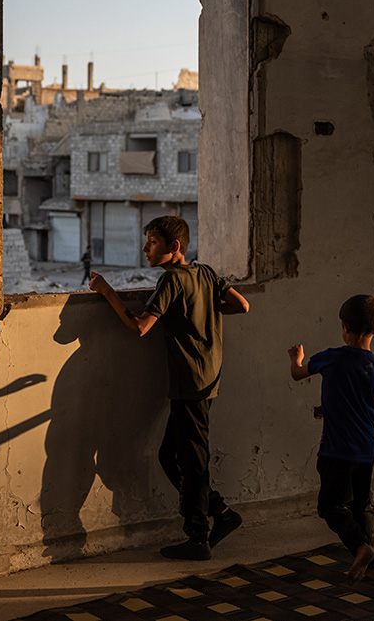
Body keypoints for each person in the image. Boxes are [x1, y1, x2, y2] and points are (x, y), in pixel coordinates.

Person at [89, 216, 249, 560]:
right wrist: (200, 312)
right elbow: (241, 305)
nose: (145, 249)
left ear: (174, 246)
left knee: (193, 462)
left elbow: (140, 327)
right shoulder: (205, 273)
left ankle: (198, 537)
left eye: (152, 243)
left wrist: (106, 292)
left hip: (190, 381)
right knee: (169, 455)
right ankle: (221, 512)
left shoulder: (171, 280)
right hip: (207, 376)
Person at [288, 294, 374, 584]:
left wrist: (295, 358)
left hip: (336, 451)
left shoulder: (331, 358)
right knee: (363, 506)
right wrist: (368, 420)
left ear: (344, 326)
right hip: (365, 450)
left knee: (330, 506)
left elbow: (298, 374)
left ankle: (360, 548)